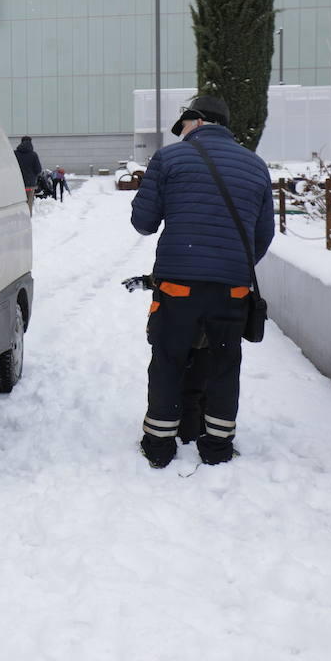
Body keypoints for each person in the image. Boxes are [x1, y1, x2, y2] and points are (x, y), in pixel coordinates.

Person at [130, 95, 273, 469]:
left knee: (168, 361)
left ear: (194, 121)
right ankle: (217, 447)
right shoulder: (256, 166)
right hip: (232, 290)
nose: (180, 135)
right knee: (224, 365)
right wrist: (229, 267)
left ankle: (159, 446)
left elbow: (143, 223)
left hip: (178, 287)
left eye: (182, 127)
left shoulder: (169, 159)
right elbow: (263, 235)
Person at [13, 137, 42, 212]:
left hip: (18, 184)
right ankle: (28, 217)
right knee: (29, 203)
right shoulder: (34, 155)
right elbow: (38, 170)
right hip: (30, 185)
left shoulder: (15, 154)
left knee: (18, 203)